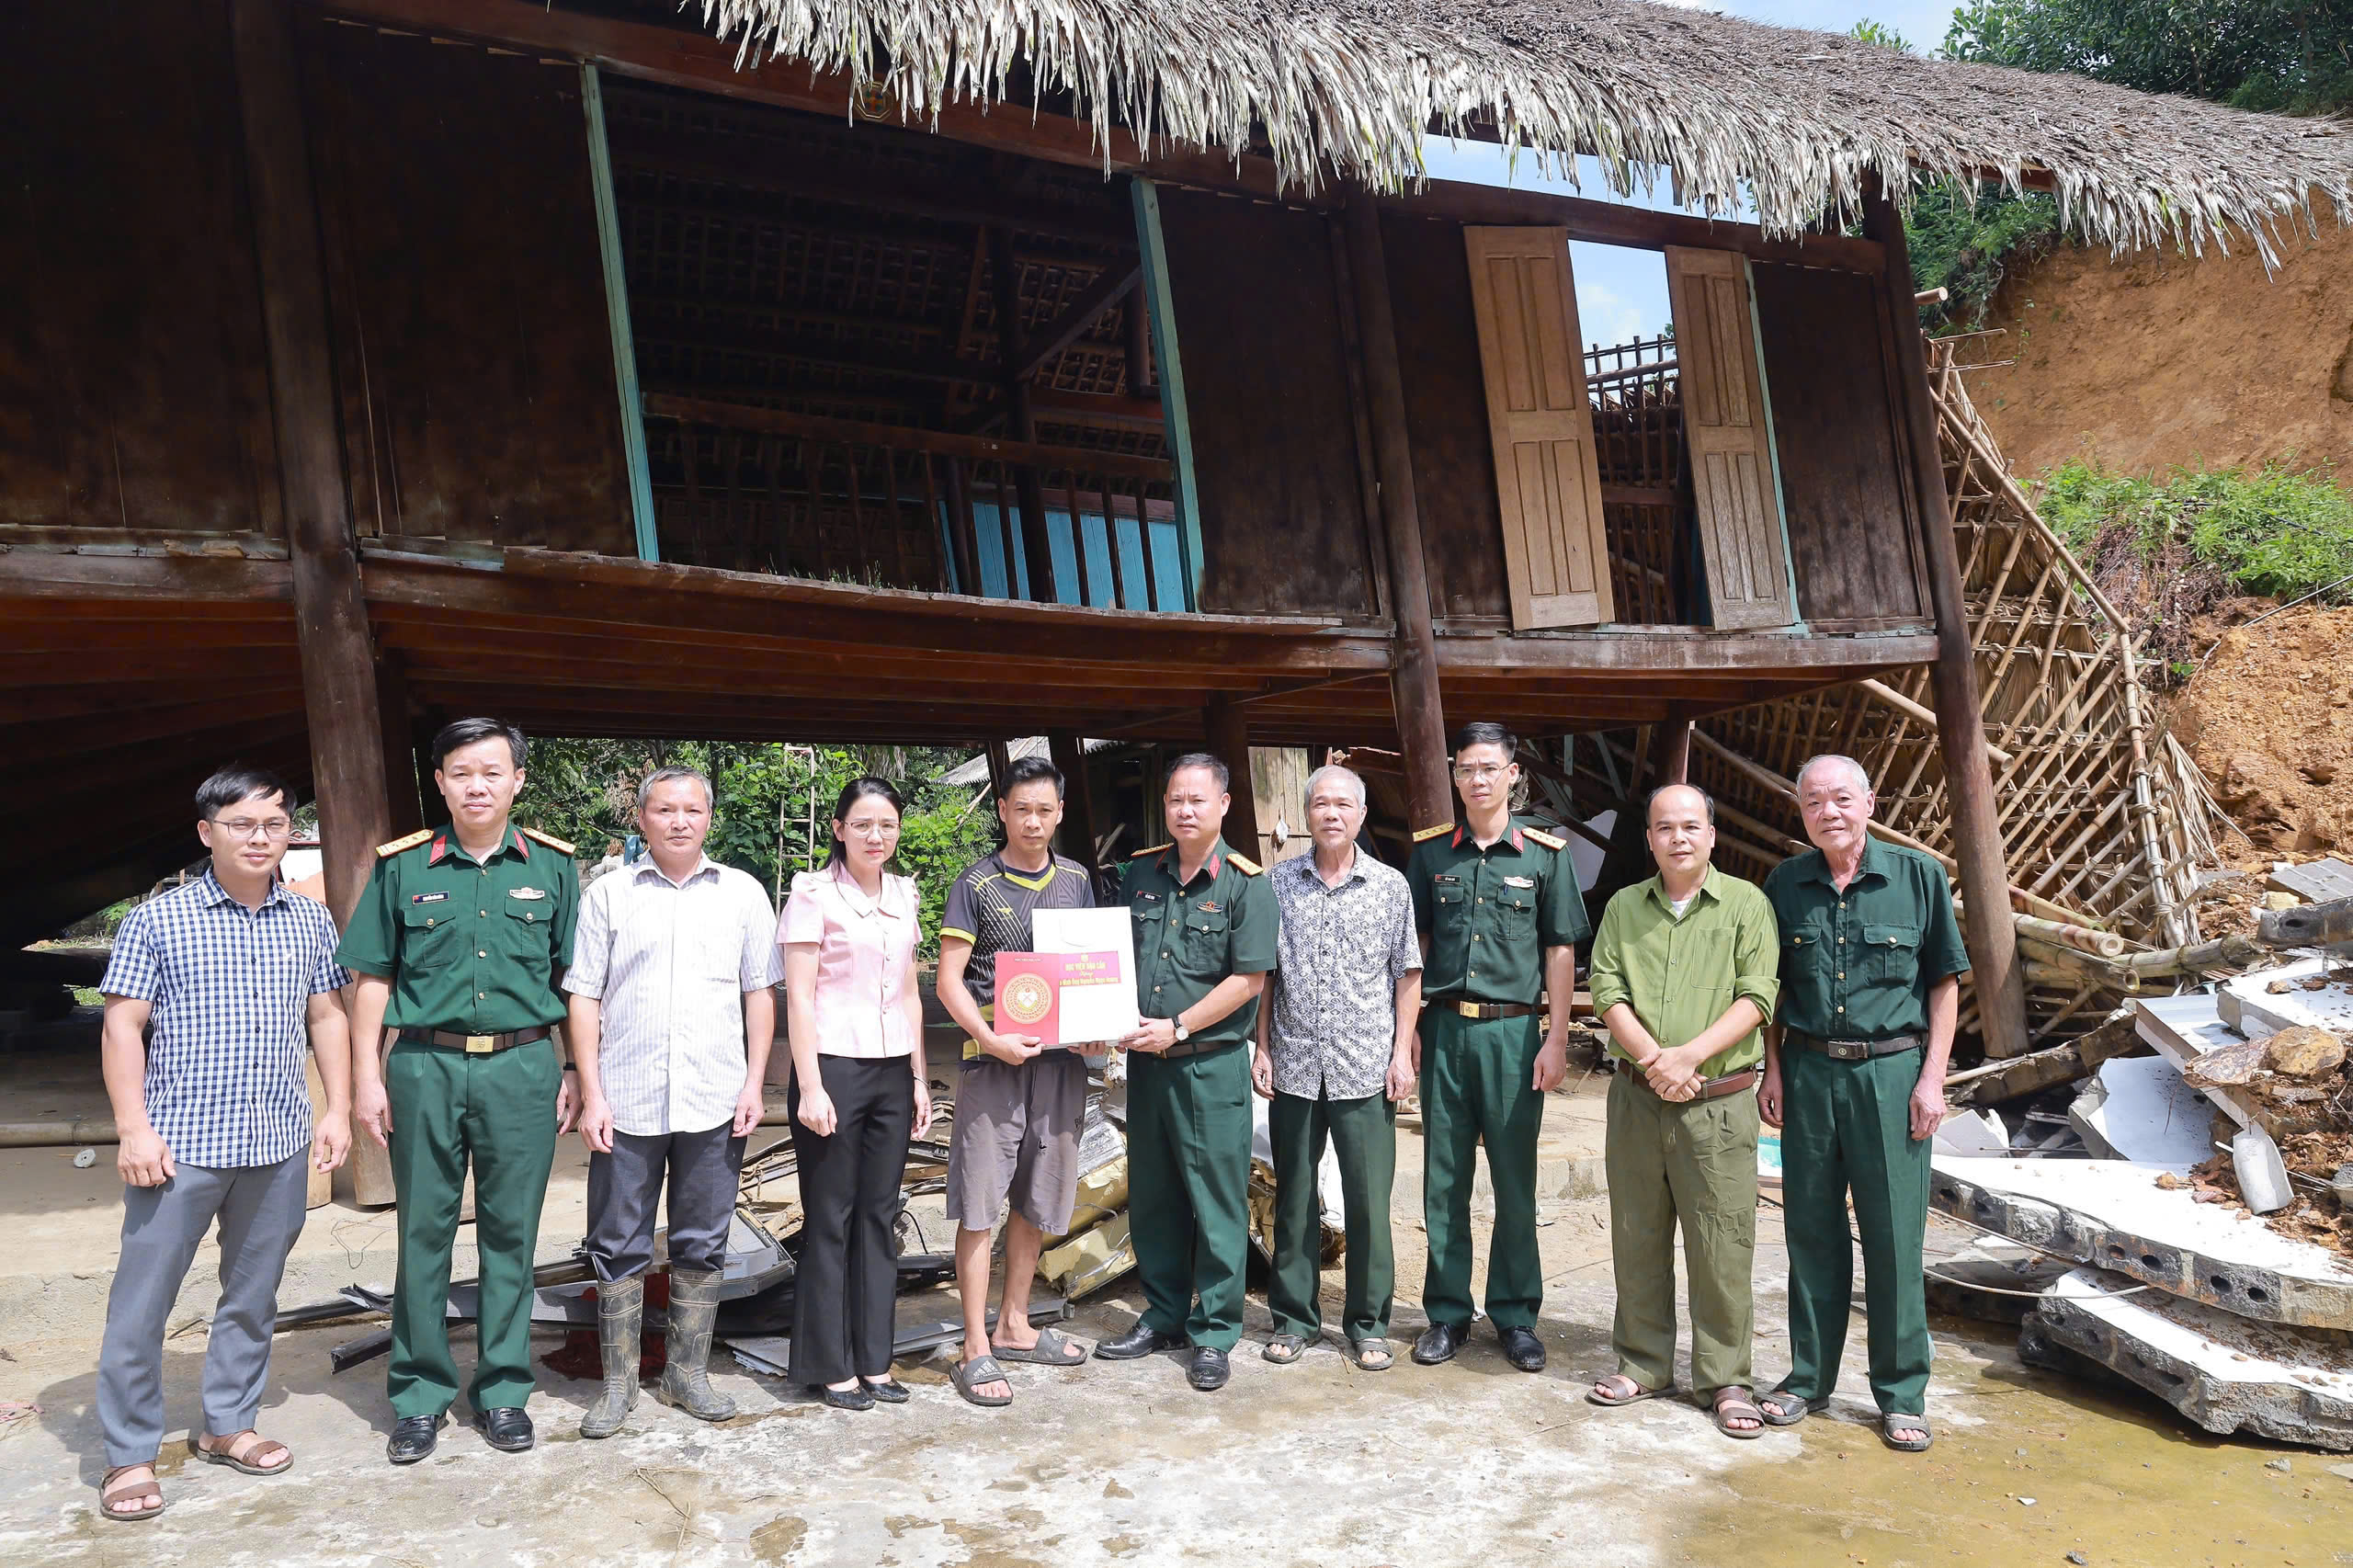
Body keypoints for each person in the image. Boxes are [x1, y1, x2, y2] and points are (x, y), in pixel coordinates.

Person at [92, 767, 354, 1524]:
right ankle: (130, 1454)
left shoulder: (308, 921)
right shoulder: (159, 920)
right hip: (177, 1147)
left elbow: (327, 1017)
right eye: (242, 824)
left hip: (274, 1144)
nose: (259, 838)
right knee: (141, 1305)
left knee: (251, 1296)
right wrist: (134, 1128)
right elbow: (121, 1027)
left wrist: (334, 1109)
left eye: (274, 824)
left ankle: (226, 1424)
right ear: (208, 832)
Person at [340, 718, 580, 1464]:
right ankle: (418, 1396)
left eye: (491, 771)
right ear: (440, 782)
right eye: (460, 773)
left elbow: (573, 982)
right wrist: (366, 1076)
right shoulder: (403, 868)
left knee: (512, 1234)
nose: (477, 785)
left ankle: (505, 1391)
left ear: (517, 781)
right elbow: (372, 977)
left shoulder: (553, 868)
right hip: (424, 1066)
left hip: (522, 1067)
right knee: (423, 1234)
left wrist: (572, 1070)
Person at [1756, 755, 1968, 1454]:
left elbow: (1944, 983)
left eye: (1841, 798)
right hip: (1812, 1074)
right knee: (1811, 1234)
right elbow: (1774, 993)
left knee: (1892, 1239)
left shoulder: (1918, 877)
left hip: (1891, 1075)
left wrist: (1932, 1079)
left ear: (1870, 801)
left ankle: (1901, 1394)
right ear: (1801, 812)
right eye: (1813, 800)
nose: (1829, 812)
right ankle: (1807, 1379)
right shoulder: (1785, 886)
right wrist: (1774, 1070)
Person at [564, 767, 783, 1437]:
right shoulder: (608, 896)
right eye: (665, 810)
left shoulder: (743, 893)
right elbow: (584, 995)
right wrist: (592, 1092)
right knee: (617, 1240)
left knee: (702, 1240)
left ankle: (687, 1374)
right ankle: (619, 1384)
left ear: (708, 818)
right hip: (625, 1100)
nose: (679, 821)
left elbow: (759, 994)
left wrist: (754, 1083)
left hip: (715, 1096)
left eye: (691, 809)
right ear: (642, 818)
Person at [1585, 783, 1779, 1439]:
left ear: (1712, 835)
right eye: (1664, 827)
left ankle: (1726, 1376)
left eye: (1691, 826)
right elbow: (1606, 985)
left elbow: (1758, 995)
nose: (1678, 838)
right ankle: (1642, 1362)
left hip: (1718, 1105)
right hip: (1639, 1101)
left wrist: (1688, 1057)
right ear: (1649, 839)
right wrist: (1653, 1061)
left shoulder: (1747, 906)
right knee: (1637, 1233)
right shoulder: (1623, 907)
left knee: (1721, 1241)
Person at [1404, 722, 1587, 1372]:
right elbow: (1414, 954)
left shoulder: (1545, 855)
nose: (1476, 779)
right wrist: (1410, 1035)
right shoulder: (1430, 856)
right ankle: (1448, 1313)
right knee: (1443, 1182)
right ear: (1454, 777)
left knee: (1515, 1183)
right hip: (1445, 1031)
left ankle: (1515, 1316)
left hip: (1515, 1036)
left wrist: (1557, 1036)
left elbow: (1559, 949)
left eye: (1489, 768)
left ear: (1514, 774)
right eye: (1465, 769)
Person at [1093, 753, 1276, 1392]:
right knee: (1156, 1195)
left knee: (1217, 1202)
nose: (1184, 810)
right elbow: (1112, 961)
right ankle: (1165, 1313)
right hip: (1147, 1069)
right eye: (1175, 799)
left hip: (1209, 1066)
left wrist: (1180, 1026)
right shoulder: (1141, 874)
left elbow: (1249, 978)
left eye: (1198, 799)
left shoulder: (1247, 884)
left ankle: (1215, 1329)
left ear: (1224, 805)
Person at [934, 756, 1097, 1407]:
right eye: (1020, 809)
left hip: (1060, 1064)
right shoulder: (975, 884)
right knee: (981, 1204)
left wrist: (1093, 1027)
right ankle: (975, 1345)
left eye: (1045, 810)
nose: (1033, 821)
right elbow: (949, 980)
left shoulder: (1078, 880)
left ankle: (1015, 1325)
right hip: (993, 1063)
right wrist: (993, 1040)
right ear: (1002, 810)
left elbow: (1085, 971)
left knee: (1037, 1197)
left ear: (1060, 813)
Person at [1252, 764, 1420, 1372]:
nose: (1331, 814)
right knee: (1294, 1195)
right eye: (1320, 804)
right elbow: (1264, 977)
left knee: (1368, 1199)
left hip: (1366, 1066)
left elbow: (1408, 975)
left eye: (1343, 804)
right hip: (1294, 1064)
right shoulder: (1277, 884)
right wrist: (1262, 1047)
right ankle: (1294, 1318)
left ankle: (1368, 1323)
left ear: (1361, 814)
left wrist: (1402, 1053)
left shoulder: (1389, 887)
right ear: (1305, 815)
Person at [778, 777, 932, 1410]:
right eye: (863, 824)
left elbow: (910, 995)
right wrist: (810, 1085)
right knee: (832, 1217)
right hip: (833, 1071)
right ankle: (829, 1364)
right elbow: (801, 997)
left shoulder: (904, 892)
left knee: (878, 1215)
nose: (877, 836)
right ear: (839, 828)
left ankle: (875, 1360)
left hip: (893, 1069)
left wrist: (920, 1077)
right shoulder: (812, 894)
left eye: (887, 825)